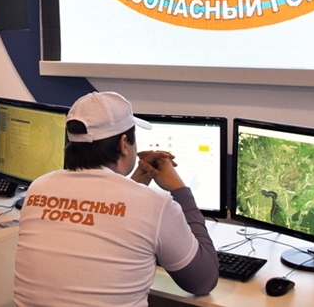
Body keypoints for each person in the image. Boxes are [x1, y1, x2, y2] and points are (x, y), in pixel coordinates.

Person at [13, 91, 219, 306]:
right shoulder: (154, 204)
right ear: (123, 143)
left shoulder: (38, 188)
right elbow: (203, 281)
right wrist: (180, 190)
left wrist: (133, 183)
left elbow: (98, 217)